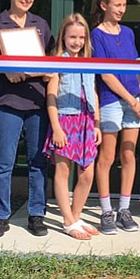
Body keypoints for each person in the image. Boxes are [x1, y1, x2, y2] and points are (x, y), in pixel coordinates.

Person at [0, 0, 54, 239]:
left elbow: (51, 61)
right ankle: (0, 217)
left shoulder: (41, 25)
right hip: (6, 102)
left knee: (38, 162)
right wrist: (4, 70)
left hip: (36, 101)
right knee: (3, 162)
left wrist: (45, 71)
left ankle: (36, 214)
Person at [91, 0, 140, 235]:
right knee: (107, 155)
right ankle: (106, 210)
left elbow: (133, 68)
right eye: (117, 5)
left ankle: (125, 208)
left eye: (124, 5)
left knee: (129, 154)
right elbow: (106, 74)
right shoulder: (97, 35)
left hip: (133, 99)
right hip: (112, 101)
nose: (121, 10)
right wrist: (131, 100)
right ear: (104, 5)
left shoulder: (128, 33)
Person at [44, 13, 102, 240]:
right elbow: (51, 97)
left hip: (87, 121)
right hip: (65, 120)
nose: (76, 42)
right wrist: (56, 127)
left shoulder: (89, 62)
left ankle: (76, 215)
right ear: (63, 38)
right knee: (63, 171)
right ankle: (68, 220)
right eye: (72, 37)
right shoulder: (58, 61)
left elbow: (94, 93)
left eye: (80, 37)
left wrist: (96, 123)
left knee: (87, 173)